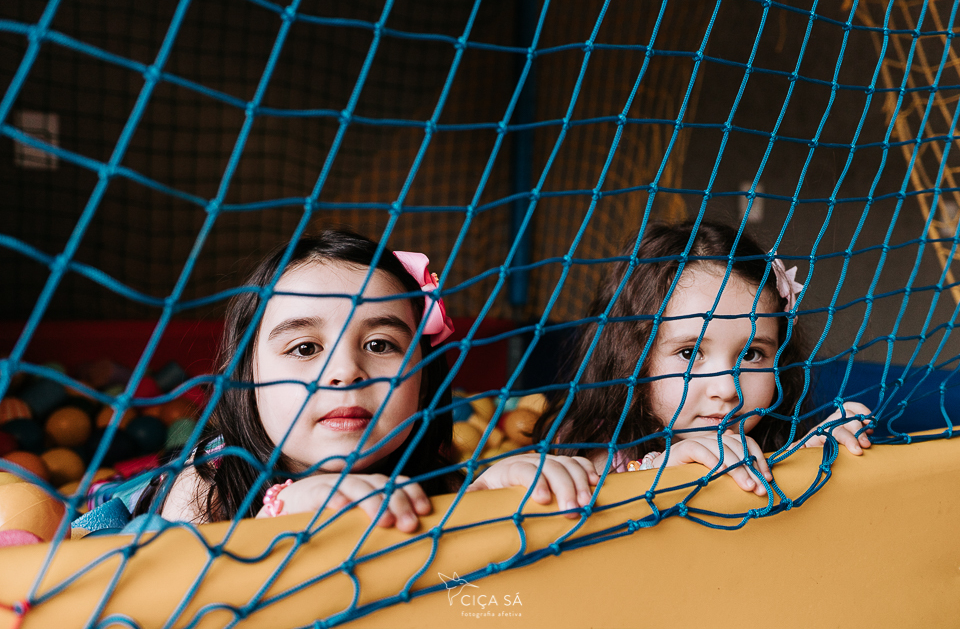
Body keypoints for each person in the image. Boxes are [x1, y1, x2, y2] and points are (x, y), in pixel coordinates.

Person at [135, 229, 596, 529]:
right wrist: (283, 512)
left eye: (379, 345)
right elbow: (178, 596)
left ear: (422, 378)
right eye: (305, 348)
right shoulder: (206, 484)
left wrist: (490, 495)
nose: (345, 371)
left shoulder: (432, 479)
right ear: (246, 379)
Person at [531, 221, 873, 496]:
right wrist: (665, 468)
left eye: (752, 354)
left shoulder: (774, 436)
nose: (726, 389)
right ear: (632, 355)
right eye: (689, 352)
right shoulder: (597, 449)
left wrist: (817, 451)